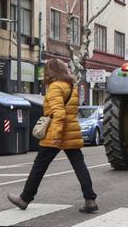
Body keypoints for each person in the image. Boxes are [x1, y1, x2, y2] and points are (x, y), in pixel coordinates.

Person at [7, 58, 98, 213]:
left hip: (58, 133)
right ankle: (90, 200)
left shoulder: (55, 87)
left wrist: (55, 135)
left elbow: (59, 113)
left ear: (50, 72)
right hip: (71, 132)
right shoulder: (71, 87)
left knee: (39, 166)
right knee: (79, 166)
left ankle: (24, 198)